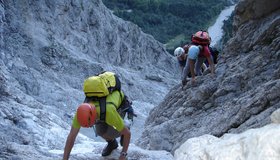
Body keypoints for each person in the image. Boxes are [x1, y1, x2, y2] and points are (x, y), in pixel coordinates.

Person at [63, 89, 134, 160]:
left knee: (114, 132)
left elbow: (128, 133)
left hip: (119, 105)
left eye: (90, 124)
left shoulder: (109, 113)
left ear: (95, 116)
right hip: (102, 108)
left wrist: (123, 154)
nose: (90, 127)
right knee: (100, 131)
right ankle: (112, 143)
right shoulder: (80, 114)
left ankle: (126, 125)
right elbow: (71, 137)